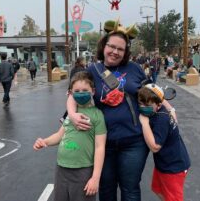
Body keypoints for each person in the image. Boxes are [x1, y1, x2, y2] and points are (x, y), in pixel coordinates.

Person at [67, 19, 176, 201]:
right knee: (106, 188)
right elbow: (72, 94)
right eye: (112, 46)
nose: (115, 52)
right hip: (103, 142)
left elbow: (152, 92)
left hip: (134, 141)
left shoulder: (134, 69)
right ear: (104, 46)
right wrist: (72, 114)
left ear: (125, 52)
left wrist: (170, 108)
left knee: (130, 189)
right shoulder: (93, 70)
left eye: (120, 49)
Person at [33, 71, 107, 201]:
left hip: (83, 171)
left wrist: (95, 178)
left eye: (85, 90)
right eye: (77, 91)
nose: (81, 93)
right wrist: (45, 141)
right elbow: (59, 135)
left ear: (93, 91)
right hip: (61, 169)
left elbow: (100, 147)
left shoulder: (97, 115)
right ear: (71, 93)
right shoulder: (70, 114)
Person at [138, 84, 191, 201]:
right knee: (158, 189)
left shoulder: (161, 119)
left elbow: (155, 147)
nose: (142, 107)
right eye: (140, 103)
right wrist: (171, 109)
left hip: (173, 167)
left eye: (147, 105)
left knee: (173, 198)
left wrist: (144, 123)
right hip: (164, 164)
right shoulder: (160, 110)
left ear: (158, 105)